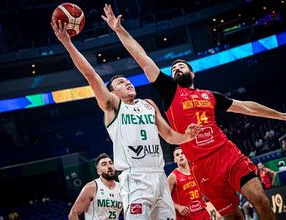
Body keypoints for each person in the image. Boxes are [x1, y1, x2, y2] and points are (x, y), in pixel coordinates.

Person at [102, 4, 286, 219]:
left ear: (192, 72)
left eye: (181, 66)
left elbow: (246, 106)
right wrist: (119, 31)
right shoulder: (170, 91)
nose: (176, 69)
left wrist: (281, 115)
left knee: (262, 201)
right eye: (173, 69)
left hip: (227, 154)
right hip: (202, 167)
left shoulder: (210, 96)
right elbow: (142, 58)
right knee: (234, 217)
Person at [51, 20, 202, 220]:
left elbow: (170, 136)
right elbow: (91, 75)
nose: (127, 82)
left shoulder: (148, 104)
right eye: (120, 83)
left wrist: (187, 136)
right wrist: (67, 43)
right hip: (135, 178)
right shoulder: (113, 106)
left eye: (127, 80)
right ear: (112, 92)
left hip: (160, 176)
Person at [68, 153, 123, 220]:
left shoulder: (122, 188)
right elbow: (73, 214)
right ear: (99, 171)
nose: (109, 166)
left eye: (111, 163)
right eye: (104, 164)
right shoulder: (91, 187)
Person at [168, 147, 210, 220]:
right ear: (175, 160)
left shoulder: (195, 171)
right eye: (177, 155)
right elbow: (165, 199)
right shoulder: (173, 177)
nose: (180, 156)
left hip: (202, 212)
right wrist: (178, 207)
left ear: (186, 155)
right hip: (185, 216)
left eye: (182, 153)